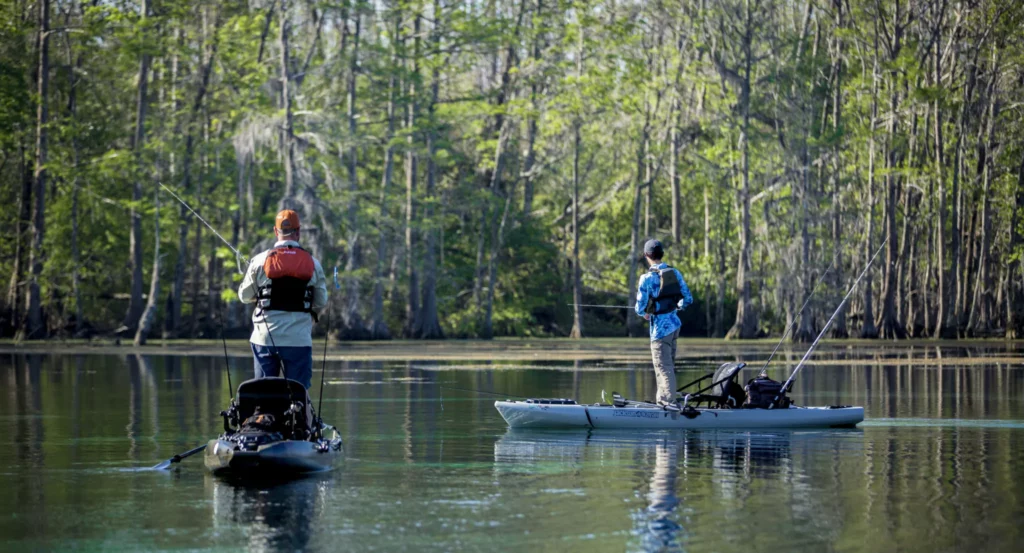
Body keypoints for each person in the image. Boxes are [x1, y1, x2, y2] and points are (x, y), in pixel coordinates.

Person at [238, 209, 328, 389]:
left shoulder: (259, 261)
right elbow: (321, 301)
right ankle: (297, 414)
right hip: (298, 340)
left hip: (264, 339)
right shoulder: (313, 263)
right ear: (299, 232)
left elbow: (244, 296)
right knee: (297, 395)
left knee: (264, 394)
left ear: (275, 231)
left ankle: (263, 415)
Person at [634, 239, 693, 408]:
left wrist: (645, 313)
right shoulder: (675, 273)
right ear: (662, 254)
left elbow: (639, 308)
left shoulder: (646, 279)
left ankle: (669, 405)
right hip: (674, 326)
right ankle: (662, 402)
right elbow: (687, 299)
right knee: (667, 367)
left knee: (663, 367)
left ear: (647, 256)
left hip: (660, 331)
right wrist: (676, 307)